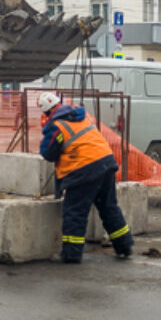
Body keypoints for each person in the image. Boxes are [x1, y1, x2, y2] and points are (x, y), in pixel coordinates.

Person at [38, 92, 133, 263]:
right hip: (106, 163)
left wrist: (47, 131)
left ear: (45, 112)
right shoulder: (82, 117)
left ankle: (71, 255)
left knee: (75, 212)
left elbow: (48, 153)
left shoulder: (57, 125)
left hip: (83, 170)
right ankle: (124, 245)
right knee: (109, 207)